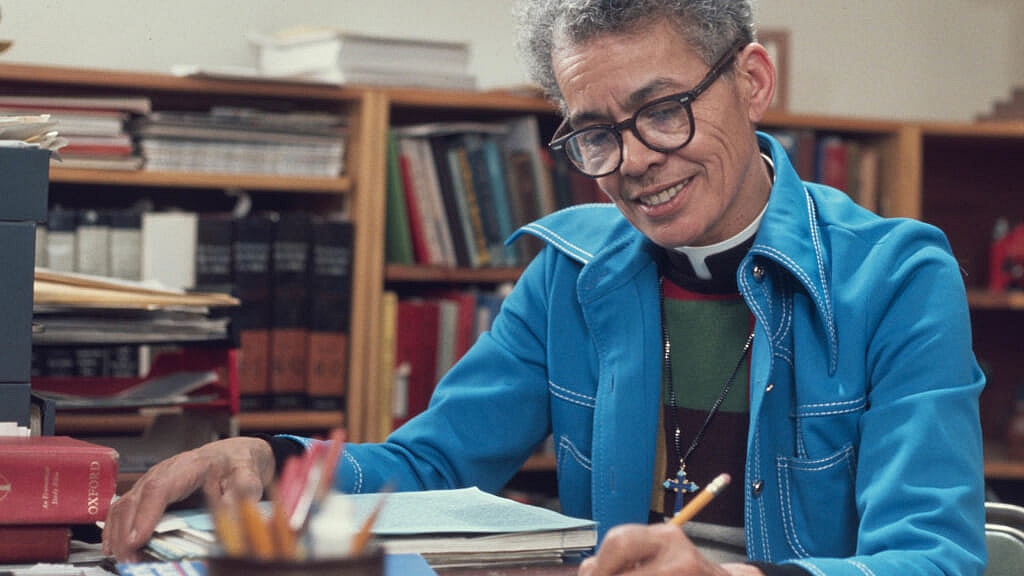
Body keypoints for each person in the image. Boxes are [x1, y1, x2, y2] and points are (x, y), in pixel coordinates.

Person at [103, 0, 988, 573]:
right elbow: (435, 464)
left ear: (752, 83)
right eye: (595, 133)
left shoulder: (899, 277)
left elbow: (934, 557)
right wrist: (274, 461)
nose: (635, 161)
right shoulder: (570, 275)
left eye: (664, 110)